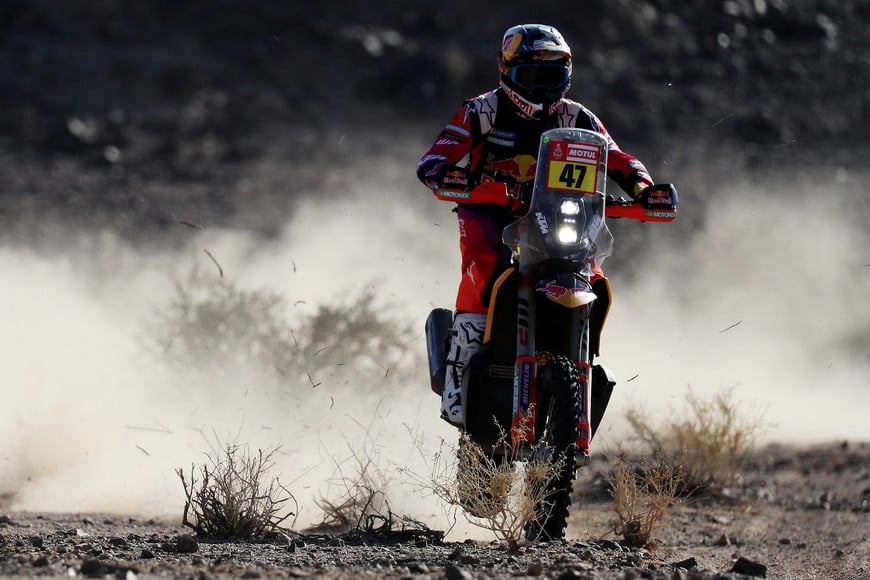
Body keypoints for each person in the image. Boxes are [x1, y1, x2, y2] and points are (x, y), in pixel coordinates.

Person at [417, 24, 657, 428]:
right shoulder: (482, 111)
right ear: (506, 70)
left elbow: (617, 158)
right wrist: (447, 175)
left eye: (553, 76)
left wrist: (645, 189)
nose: (544, 87)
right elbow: (433, 160)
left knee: (591, 273)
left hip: (560, 216)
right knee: (486, 260)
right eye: (532, 76)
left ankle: (577, 370)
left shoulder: (579, 117)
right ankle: (459, 376)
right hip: (492, 213)